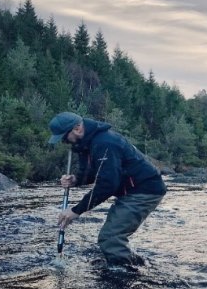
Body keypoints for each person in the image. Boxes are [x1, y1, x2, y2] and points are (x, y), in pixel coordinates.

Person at [48, 111, 167, 268]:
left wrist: (76, 210)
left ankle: (123, 275)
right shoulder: (85, 144)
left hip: (144, 190)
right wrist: (75, 180)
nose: (64, 141)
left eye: (64, 137)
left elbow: (108, 184)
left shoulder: (105, 143)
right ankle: (134, 263)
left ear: (77, 128)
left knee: (110, 237)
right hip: (130, 191)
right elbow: (91, 173)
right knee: (111, 237)